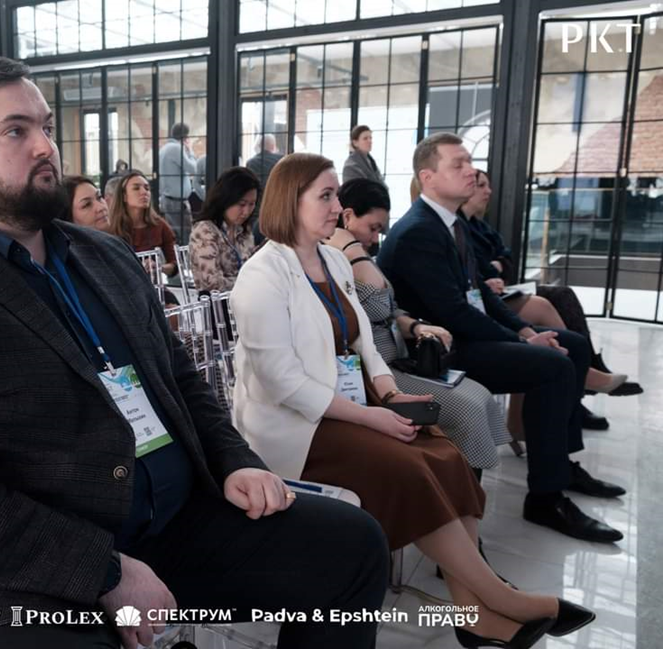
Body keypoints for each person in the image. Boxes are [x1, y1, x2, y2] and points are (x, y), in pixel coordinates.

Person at [0, 57, 389, 649]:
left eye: (46, 127)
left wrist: (235, 460)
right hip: (13, 565)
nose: (45, 147)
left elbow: (179, 379)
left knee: (352, 547)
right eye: (15, 131)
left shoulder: (105, 256)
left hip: (170, 524)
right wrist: (102, 570)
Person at [232, 152, 595, 649]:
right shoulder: (262, 275)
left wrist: (391, 393)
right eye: (326, 195)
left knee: (445, 453)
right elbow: (283, 384)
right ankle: (501, 600)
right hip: (297, 427)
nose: (338, 207)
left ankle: (474, 614)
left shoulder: (333, 259)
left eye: (337, 194)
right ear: (289, 201)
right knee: (407, 468)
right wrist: (372, 417)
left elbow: (364, 344)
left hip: (351, 404)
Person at [377, 133, 626, 543]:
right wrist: (525, 343)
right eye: (458, 164)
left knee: (573, 345)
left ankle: (560, 466)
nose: (471, 171)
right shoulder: (418, 231)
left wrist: (525, 330)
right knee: (554, 366)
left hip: (464, 335)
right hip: (437, 350)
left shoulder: (451, 224)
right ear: (428, 177)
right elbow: (454, 313)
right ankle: (545, 498)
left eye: (469, 161)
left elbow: (481, 295)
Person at [326, 178, 511, 471]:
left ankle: (463, 483)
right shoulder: (337, 261)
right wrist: (353, 247)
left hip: (397, 359)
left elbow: (390, 310)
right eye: (373, 228)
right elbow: (377, 305)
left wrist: (415, 327)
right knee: (467, 408)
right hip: (373, 371)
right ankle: (460, 484)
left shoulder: (357, 258)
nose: (375, 238)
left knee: (478, 394)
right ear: (347, 217)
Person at [462, 169, 641, 401]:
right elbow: (483, 270)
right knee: (543, 306)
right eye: (481, 185)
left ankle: (586, 369)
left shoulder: (479, 226)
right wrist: (495, 268)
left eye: (488, 185)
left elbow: (507, 260)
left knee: (563, 295)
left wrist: (497, 266)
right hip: (485, 297)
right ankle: (584, 374)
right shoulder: (457, 227)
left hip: (495, 291)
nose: (488, 191)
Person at [189, 167, 259, 293]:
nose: (246, 212)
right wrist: (250, 281)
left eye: (252, 204)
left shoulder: (242, 230)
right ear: (225, 200)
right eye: (242, 204)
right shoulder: (205, 231)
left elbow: (253, 268)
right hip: (218, 301)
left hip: (246, 296)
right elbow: (212, 283)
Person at [109, 170, 178, 277]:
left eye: (147, 188)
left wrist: (159, 267)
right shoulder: (111, 227)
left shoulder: (160, 225)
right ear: (124, 196)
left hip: (152, 284)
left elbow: (175, 265)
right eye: (136, 188)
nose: (144, 192)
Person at [158, 122, 197, 242]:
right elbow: (194, 169)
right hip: (177, 203)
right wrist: (190, 150)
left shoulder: (164, 148)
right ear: (185, 136)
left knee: (175, 236)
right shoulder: (176, 148)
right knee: (185, 237)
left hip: (168, 200)